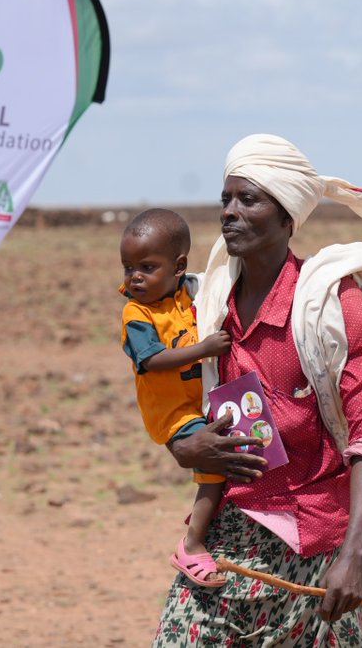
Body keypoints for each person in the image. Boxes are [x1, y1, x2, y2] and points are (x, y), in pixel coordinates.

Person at [152, 134, 362, 647]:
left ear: (287, 218)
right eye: (226, 199)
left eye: (249, 199)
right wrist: (183, 445)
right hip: (226, 528)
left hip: (311, 537)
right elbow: (164, 390)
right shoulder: (208, 303)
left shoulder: (332, 306)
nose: (230, 213)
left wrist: (353, 559)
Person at [119, 208, 236, 587]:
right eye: (128, 267)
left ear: (178, 266)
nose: (135, 277)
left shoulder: (190, 295)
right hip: (172, 412)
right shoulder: (136, 313)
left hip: (197, 403)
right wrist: (204, 349)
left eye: (146, 267)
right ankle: (193, 543)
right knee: (213, 465)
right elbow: (152, 360)